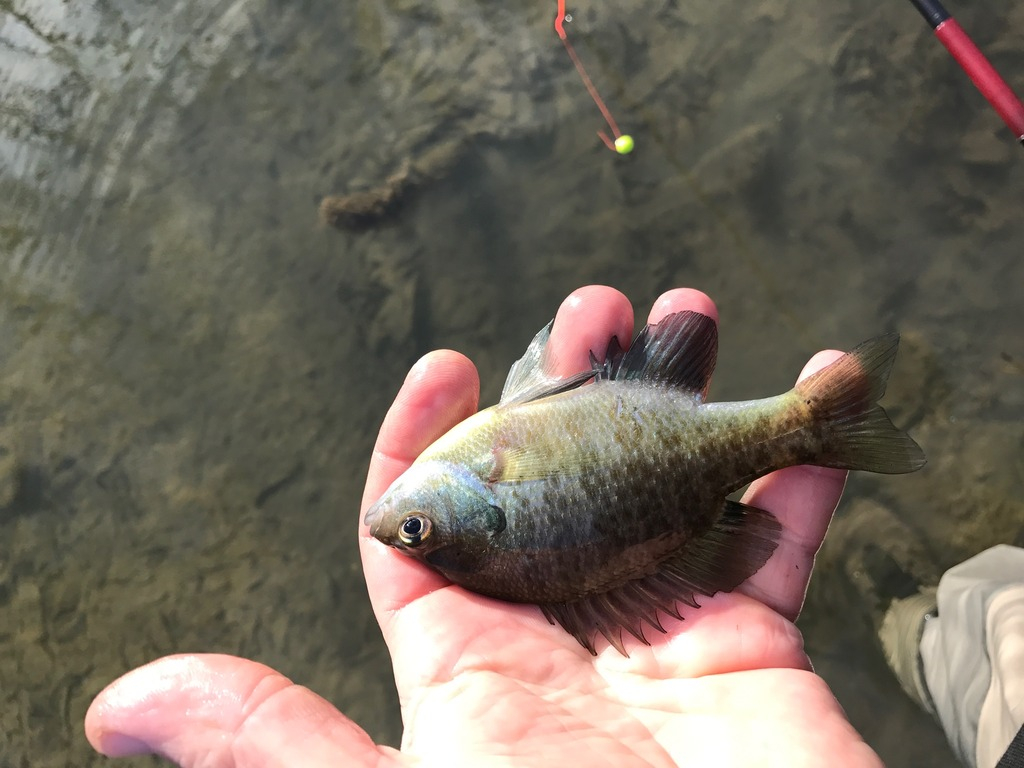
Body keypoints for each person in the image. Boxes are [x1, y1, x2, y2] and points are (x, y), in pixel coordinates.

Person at [85, 286, 887, 767]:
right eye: (415, 531)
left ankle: (903, 592)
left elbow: (539, 395)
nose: (393, 523)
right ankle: (847, 477)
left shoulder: (485, 520)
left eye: (417, 529)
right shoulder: (486, 489)